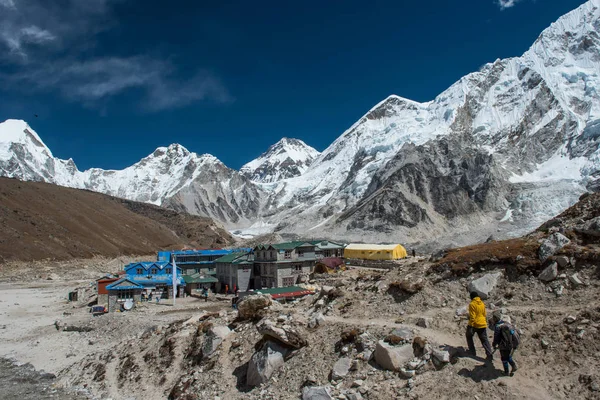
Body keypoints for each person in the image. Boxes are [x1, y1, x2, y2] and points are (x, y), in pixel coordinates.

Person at [466, 291, 493, 361]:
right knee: (484, 340)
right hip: (483, 324)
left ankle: (472, 352)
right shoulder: (482, 303)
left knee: (469, 336)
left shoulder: (472, 304)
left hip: (475, 324)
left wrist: (470, 326)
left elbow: (472, 317)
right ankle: (489, 355)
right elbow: (484, 314)